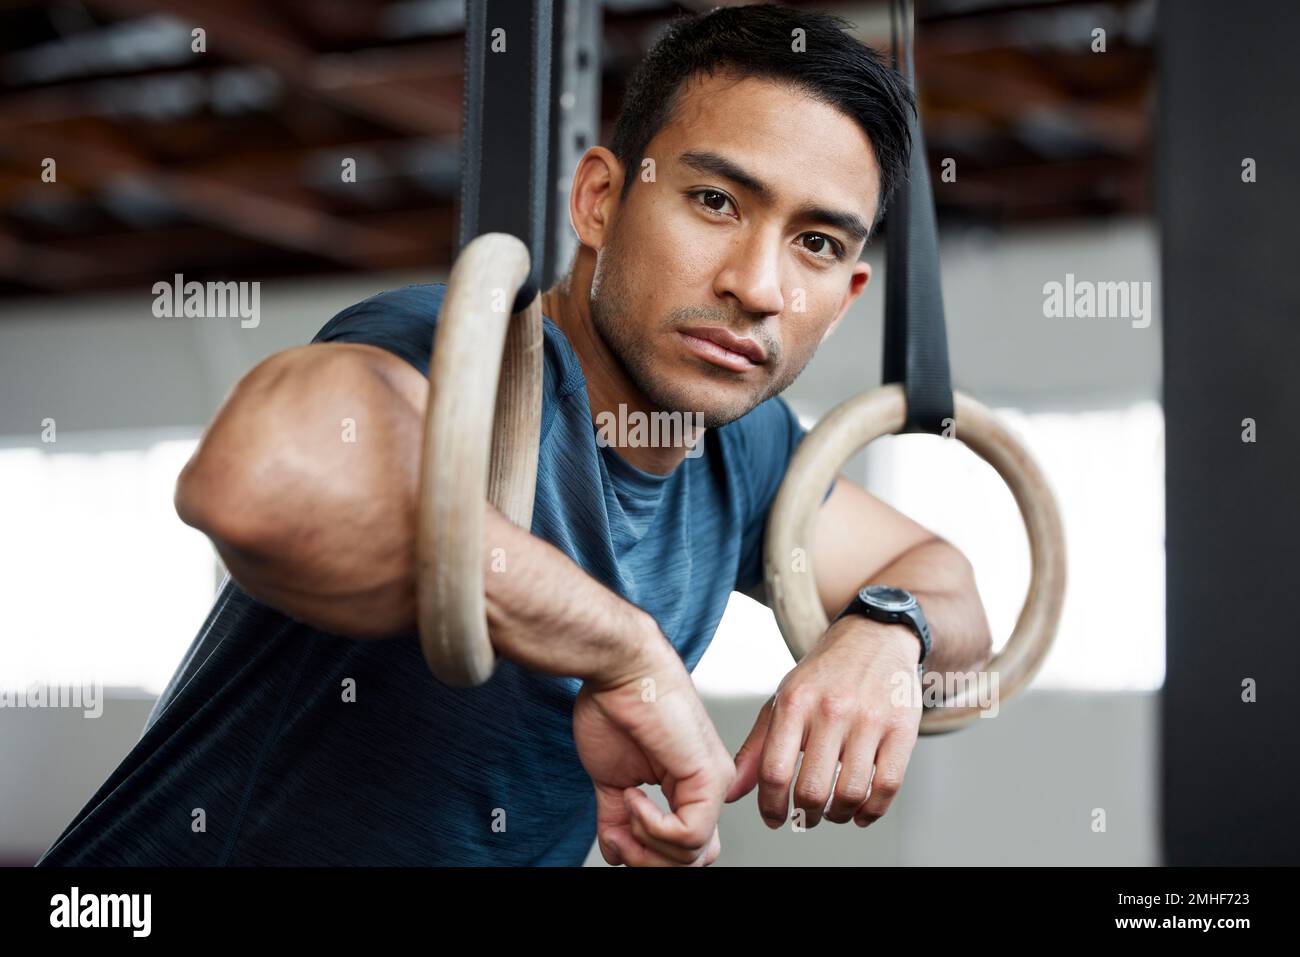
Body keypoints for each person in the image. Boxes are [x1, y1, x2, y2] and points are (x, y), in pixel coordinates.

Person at [36, 3, 991, 868]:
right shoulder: (460, 358)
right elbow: (252, 483)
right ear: (599, 202)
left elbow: (943, 578)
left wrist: (885, 629)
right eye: (715, 201)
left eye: (816, 244)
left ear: (846, 296)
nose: (758, 284)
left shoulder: (745, 452)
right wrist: (625, 651)